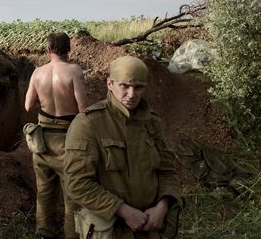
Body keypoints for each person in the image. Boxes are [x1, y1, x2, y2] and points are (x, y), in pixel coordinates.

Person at [64, 56, 182, 239]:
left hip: (149, 227)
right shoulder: (88, 124)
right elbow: (77, 183)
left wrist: (162, 205)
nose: (132, 94)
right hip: (113, 229)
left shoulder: (151, 122)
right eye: (124, 86)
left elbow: (167, 171)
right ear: (110, 84)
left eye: (138, 87)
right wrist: (123, 210)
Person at [25, 32, 88, 239]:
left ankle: (44, 233)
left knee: (44, 192)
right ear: (69, 49)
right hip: (67, 140)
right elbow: (83, 109)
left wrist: (44, 104)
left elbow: (28, 106)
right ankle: (72, 234)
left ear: (48, 49)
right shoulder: (74, 71)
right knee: (72, 194)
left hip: (42, 141)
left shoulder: (38, 73)